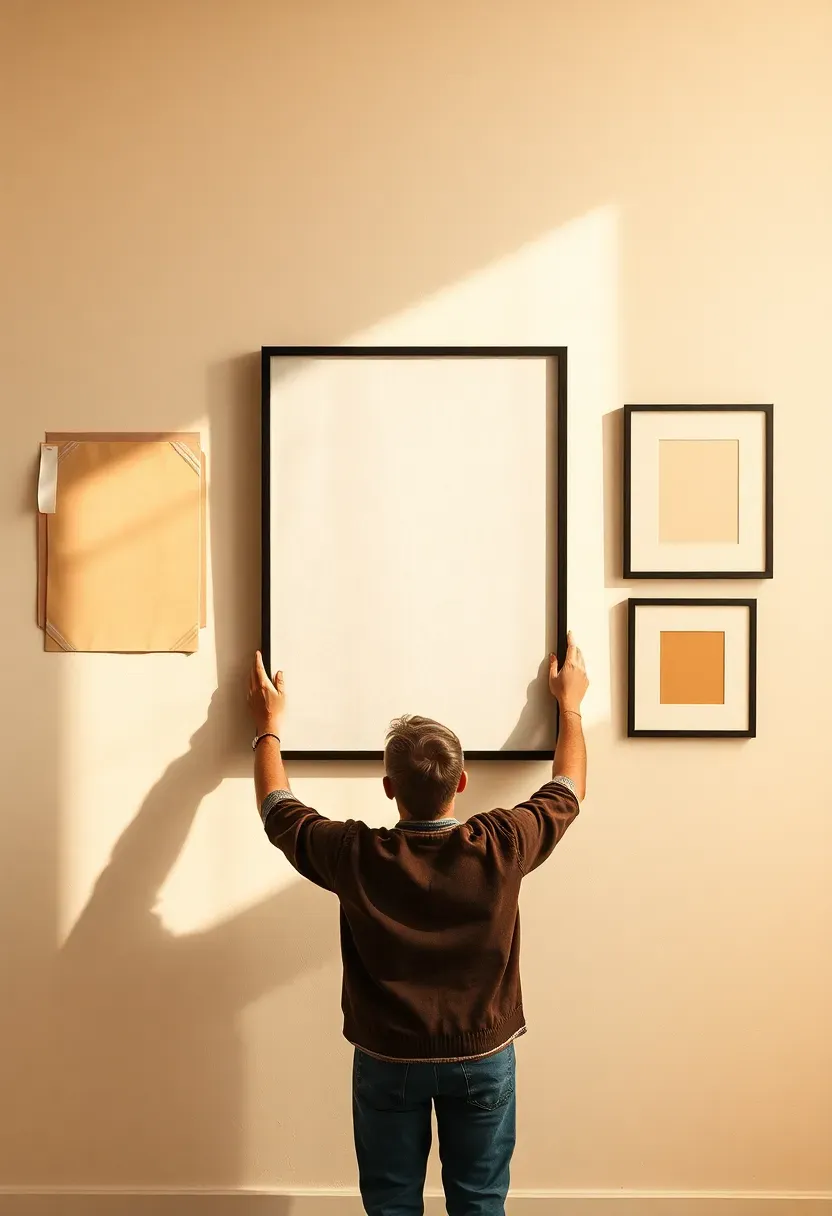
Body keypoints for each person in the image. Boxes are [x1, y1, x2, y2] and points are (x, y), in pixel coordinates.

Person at [247, 633, 589, 1216]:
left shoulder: (356, 854)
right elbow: (567, 790)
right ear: (460, 782)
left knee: (390, 1204)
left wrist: (268, 726)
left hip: (388, 1058)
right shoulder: (501, 845)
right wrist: (571, 706)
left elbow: (278, 809)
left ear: (388, 788)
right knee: (480, 1203)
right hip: (483, 1053)